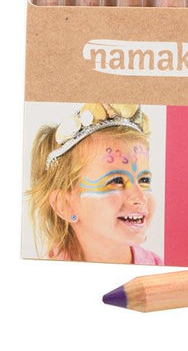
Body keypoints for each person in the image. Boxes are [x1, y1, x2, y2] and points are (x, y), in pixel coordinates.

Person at [27, 103, 162, 265]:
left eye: (144, 180)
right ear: (65, 205)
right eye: (116, 181)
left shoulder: (160, 269)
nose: (140, 197)